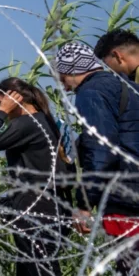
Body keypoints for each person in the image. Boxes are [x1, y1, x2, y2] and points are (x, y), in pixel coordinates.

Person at [56, 42, 139, 274]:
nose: (65, 86)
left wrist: (84, 203)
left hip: (125, 197)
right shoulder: (128, 87)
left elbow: (102, 149)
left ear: (72, 69)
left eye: (62, 77)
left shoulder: (91, 92)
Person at [0, 78, 68, 276]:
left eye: (1, 102)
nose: (1, 108)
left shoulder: (26, 124)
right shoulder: (46, 121)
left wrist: (0, 113)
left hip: (33, 205)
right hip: (52, 202)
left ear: (14, 99)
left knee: (40, 268)